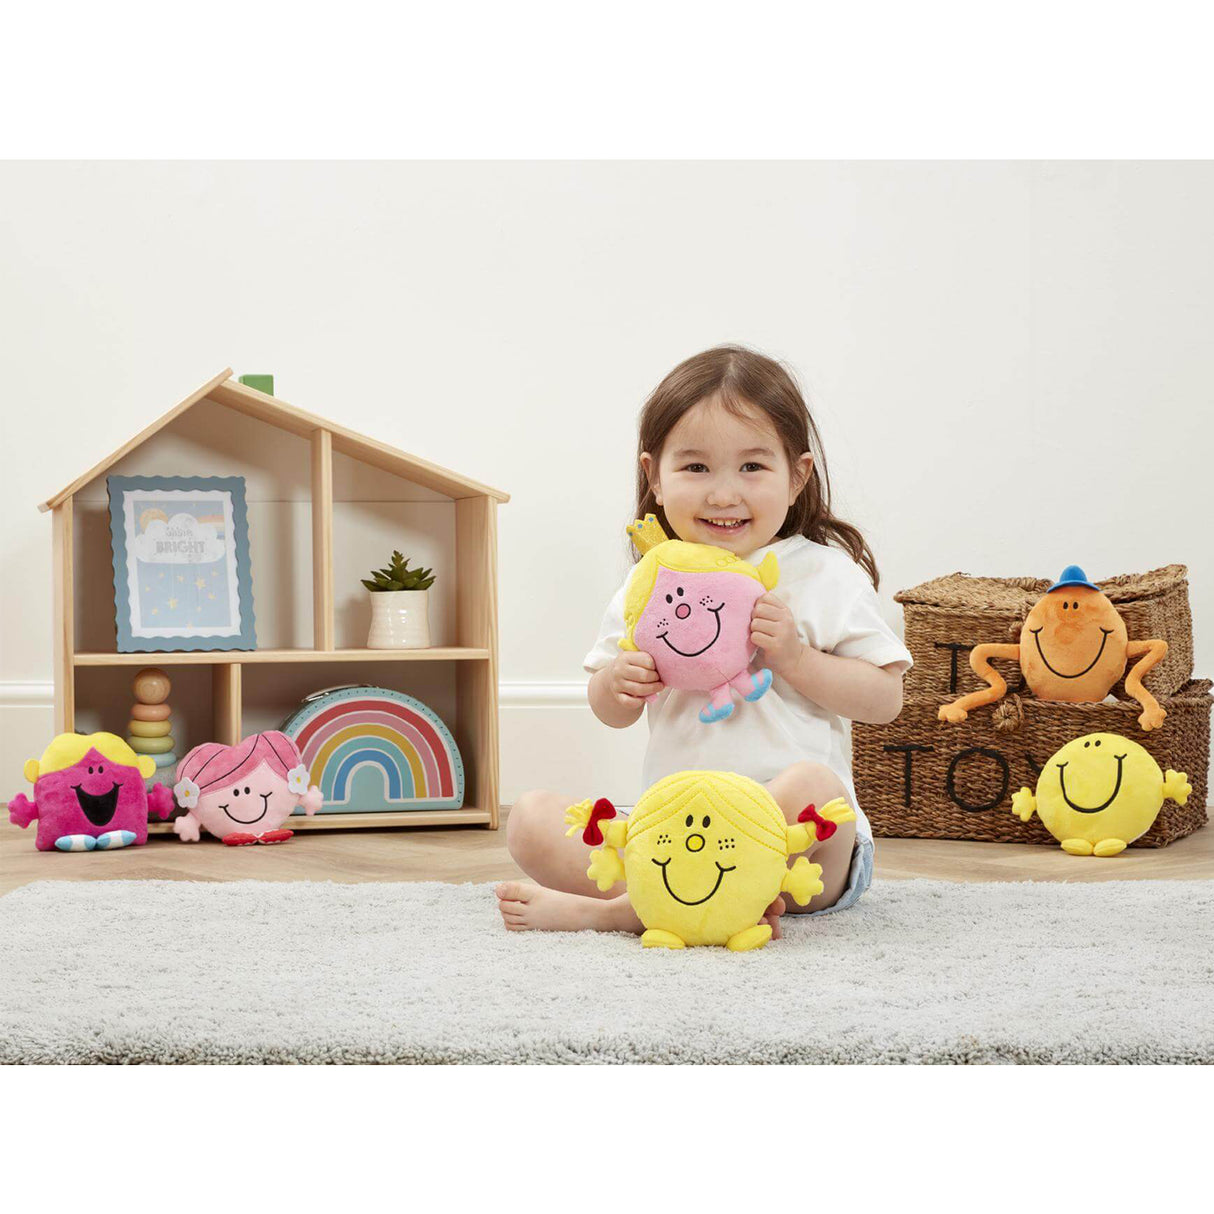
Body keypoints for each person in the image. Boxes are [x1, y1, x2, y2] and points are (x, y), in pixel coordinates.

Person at [496, 345, 911, 935]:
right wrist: (620, 683)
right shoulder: (653, 580)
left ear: (796, 477)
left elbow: (885, 701)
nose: (723, 494)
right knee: (531, 818)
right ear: (654, 479)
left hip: (802, 849)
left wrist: (793, 657)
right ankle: (697, 898)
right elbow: (607, 708)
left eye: (752, 467)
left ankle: (632, 910)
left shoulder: (822, 574)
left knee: (815, 787)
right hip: (678, 826)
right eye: (695, 468)